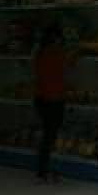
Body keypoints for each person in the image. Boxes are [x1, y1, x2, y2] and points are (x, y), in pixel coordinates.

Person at [33, 22, 72, 182]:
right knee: (50, 135)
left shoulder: (40, 53)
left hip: (41, 98)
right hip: (54, 99)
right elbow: (68, 64)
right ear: (56, 38)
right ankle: (44, 171)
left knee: (47, 135)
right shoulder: (56, 53)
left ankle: (44, 169)